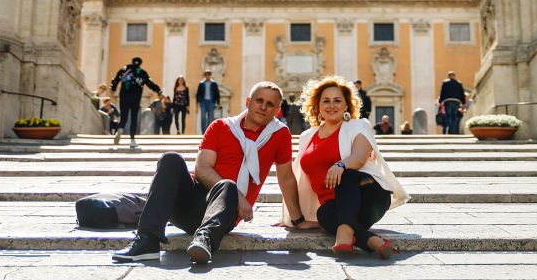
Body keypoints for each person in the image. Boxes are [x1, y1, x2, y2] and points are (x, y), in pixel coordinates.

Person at [113, 81, 312, 264]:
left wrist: (297, 220)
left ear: (277, 110)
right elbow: (201, 169)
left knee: (227, 186)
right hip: (190, 205)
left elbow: (285, 177)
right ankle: (147, 241)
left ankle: (204, 241)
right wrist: (240, 197)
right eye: (259, 100)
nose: (263, 106)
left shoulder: (280, 134)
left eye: (270, 104)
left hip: (223, 212)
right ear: (248, 102)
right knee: (170, 159)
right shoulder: (220, 127)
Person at [285, 76, 409, 259]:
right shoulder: (306, 137)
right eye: (325, 101)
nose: (331, 105)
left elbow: (359, 158)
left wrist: (340, 164)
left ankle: (344, 233)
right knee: (324, 214)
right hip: (334, 208)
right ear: (318, 106)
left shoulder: (359, 126)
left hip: (368, 196)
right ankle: (370, 240)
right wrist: (296, 217)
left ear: (346, 106)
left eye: (337, 100)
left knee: (348, 175)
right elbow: (297, 177)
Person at [110, 57, 163, 149]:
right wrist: (158, 91)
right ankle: (132, 140)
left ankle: (120, 129)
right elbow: (150, 83)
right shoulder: (142, 73)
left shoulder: (125, 69)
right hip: (136, 98)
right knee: (134, 118)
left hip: (124, 97)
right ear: (140, 63)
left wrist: (113, 88)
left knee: (124, 116)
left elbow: (116, 78)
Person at [438, 71, 467, 135]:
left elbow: (442, 92)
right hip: (456, 101)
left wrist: (440, 101)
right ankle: (454, 131)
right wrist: (463, 102)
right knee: (455, 116)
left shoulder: (445, 82)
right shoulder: (459, 83)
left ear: (448, 76)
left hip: (448, 101)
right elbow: (462, 93)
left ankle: (450, 130)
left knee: (448, 116)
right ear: (454, 76)